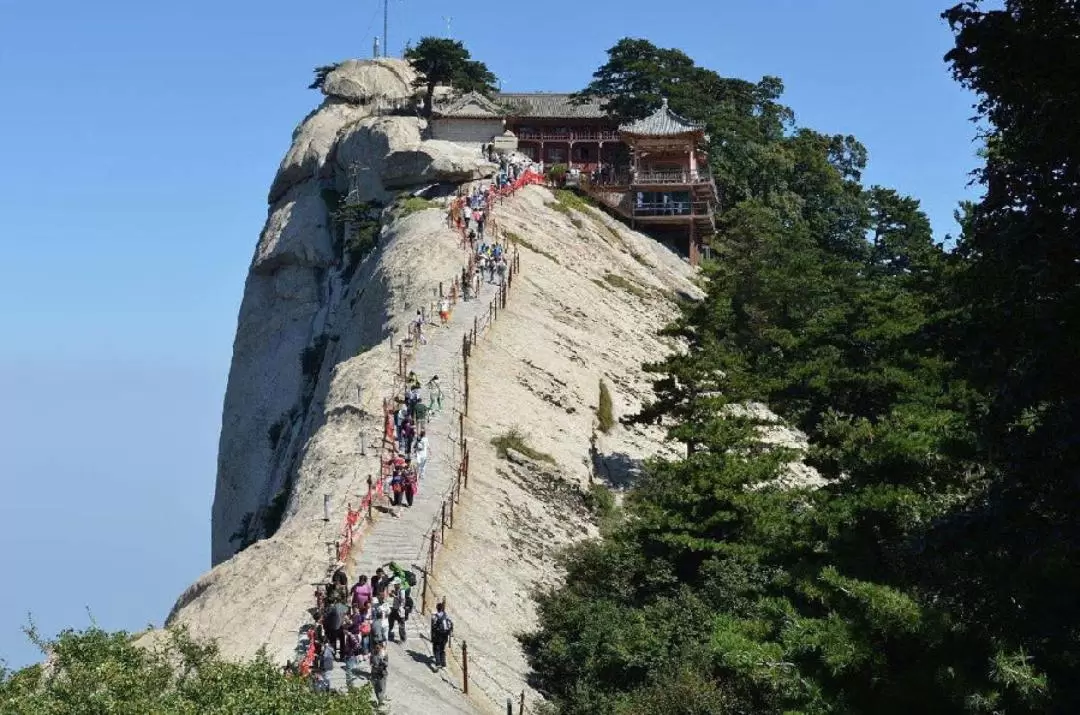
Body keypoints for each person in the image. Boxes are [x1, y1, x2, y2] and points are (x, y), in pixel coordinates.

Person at [430, 601, 454, 670]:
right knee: (442, 649)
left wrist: (433, 636)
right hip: (446, 634)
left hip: (438, 635)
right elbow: (450, 623)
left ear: (437, 608)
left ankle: (438, 663)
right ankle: (443, 663)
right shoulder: (446, 615)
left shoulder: (435, 616)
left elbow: (433, 626)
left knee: (436, 648)